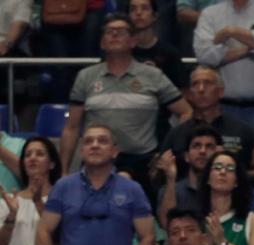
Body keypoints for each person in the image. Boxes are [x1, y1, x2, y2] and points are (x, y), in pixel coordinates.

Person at [36, 124, 156, 245]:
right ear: (81, 151)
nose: (95, 145)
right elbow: (43, 230)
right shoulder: (63, 187)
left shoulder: (132, 189)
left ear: (114, 151)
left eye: (102, 141)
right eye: (89, 141)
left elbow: (149, 237)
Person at [58, 13, 192, 186]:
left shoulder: (153, 75)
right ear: (102, 42)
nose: (114, 35)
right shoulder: (85, 77)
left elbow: (187, 111)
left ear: (133, 41)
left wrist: (167, 149)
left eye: (121, 31)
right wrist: (64, 171)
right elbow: (72, 127)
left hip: (143, 162)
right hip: (97, 162)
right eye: (109, 31)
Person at [192, 0, 254, 136]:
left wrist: (230, 32)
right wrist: (252, 45)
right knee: (222, 157)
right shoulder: (210, 14)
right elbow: (204, 56)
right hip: (225, 108)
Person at [158, 65, 254, 176]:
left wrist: (237, 176)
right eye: (195, 84)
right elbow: (159, 174)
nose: (201, 89)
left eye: (208, 83)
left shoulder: (243, 131)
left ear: (221, 91)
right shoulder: (176, 134)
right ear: (190, 94)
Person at [156, 125, 224, 227]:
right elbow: (166, 224)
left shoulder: (226, 188)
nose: (202, 151)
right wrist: (170, 179)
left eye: (209, 147)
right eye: (196, 146)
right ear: (186, 156)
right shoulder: (171, 190)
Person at [129, 0, 187, 89]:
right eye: (133, 9)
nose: (138, 13)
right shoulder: (122, 53)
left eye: (144, 8)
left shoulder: (170, 53)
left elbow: (181, 91)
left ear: (155, 16)